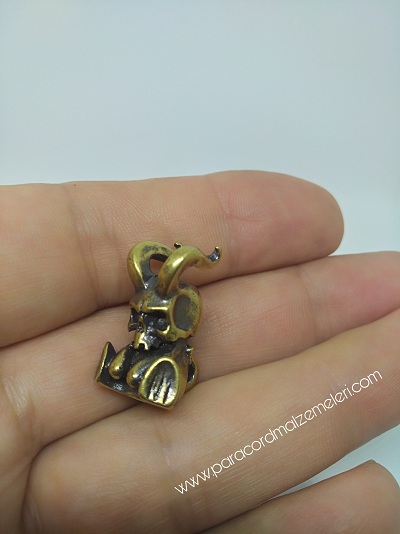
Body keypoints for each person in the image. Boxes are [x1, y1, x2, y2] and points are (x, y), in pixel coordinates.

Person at [0, 170, 399, 533]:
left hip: (164, 367)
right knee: (125, 367)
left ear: (177, 319)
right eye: (138, 316)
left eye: (152, 320)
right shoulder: (143, 331)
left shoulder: (173, 340)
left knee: (135, 371)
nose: (139, 327)